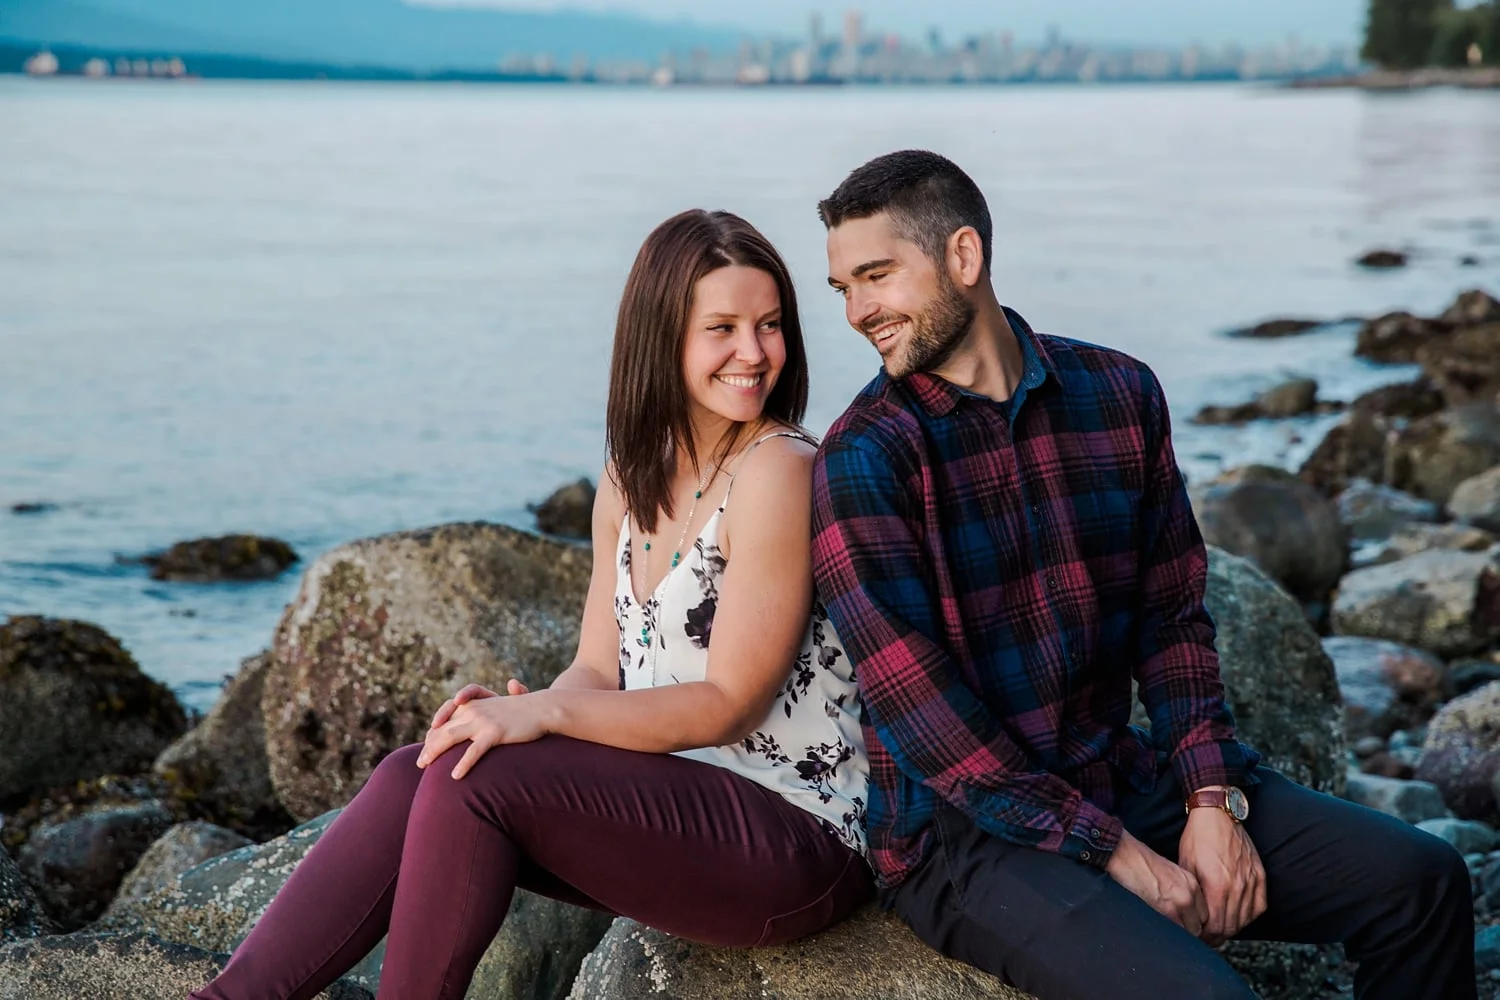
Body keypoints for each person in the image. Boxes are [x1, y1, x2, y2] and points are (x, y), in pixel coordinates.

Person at [808, 150, 1474, 1000]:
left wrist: (1209, 797)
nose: (859, 312)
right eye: (843, 289)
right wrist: (1119, 856)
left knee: (1422, 881)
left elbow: (1173, 619)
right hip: (965, 838)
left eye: (876, 276)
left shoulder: (1118, 393)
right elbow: (929, 723)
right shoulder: (864, 460)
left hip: (1118, 775)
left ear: (963, 258)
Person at [191, 209, 871, 1000]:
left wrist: (544, 721)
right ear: (662, 338)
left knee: (475, 783)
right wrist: (516, 716)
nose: (754, 353)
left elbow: (729, 704)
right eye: (722, 327)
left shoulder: (777, 469)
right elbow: (596, 667)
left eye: (770, 325)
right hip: (681, 808)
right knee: (429, 765)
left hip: (797, 837)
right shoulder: (630, 474)